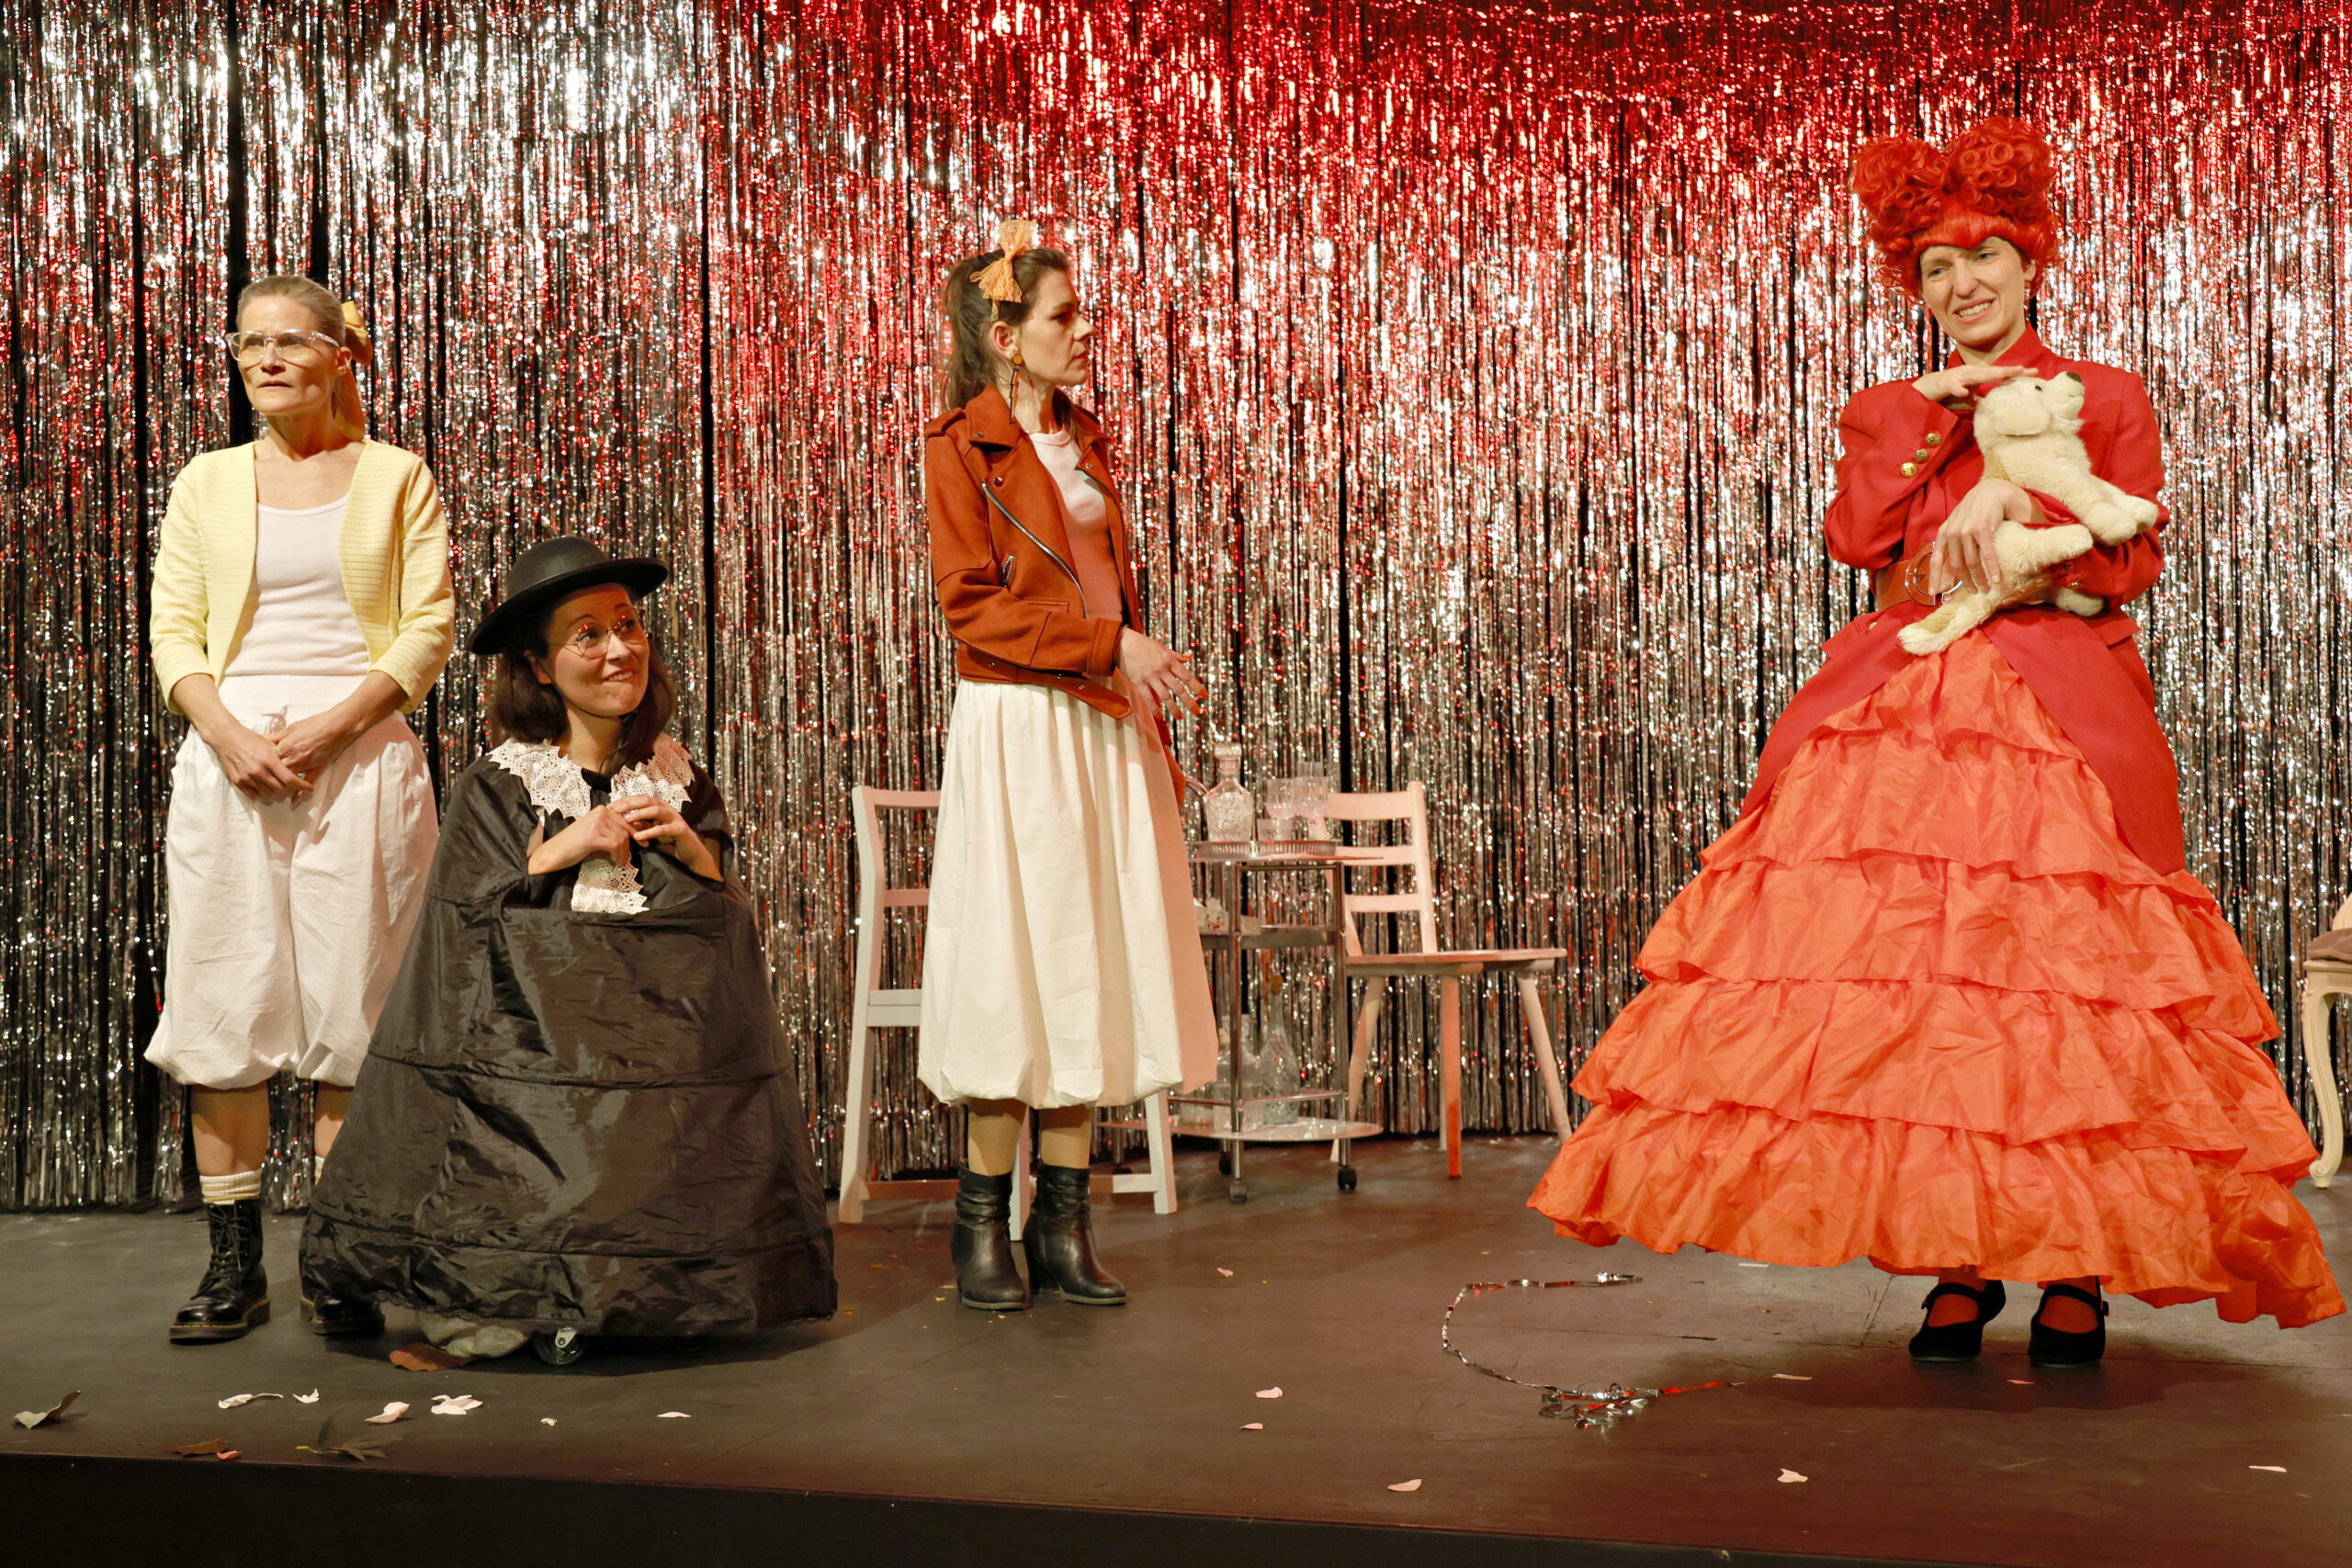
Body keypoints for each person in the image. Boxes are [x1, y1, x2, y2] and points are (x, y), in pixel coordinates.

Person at [1528, 119, 2342, 1365]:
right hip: (1903, 699)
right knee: (1921, 1002)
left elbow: (2130, 558)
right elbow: (1859, 540)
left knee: (2059, 988)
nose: (1963, 285)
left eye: (1983, 259)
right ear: (1914, 289)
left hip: (2053, 700)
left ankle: (2072, 1268)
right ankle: (1956, 1263)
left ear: (2030, 264)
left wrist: (2021, 518)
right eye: (1935, 270)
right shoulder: (1889, 407)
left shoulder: (2102, 395)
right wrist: (1933, 414)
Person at [301, 538, 836, 1365]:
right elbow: (463, 935)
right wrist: (562, 847)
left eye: (627, 625)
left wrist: (694, 854)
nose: (619, 648)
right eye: (587, 634)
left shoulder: (678, 777)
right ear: (539, 666)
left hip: (659, 1077)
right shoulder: (501, 784)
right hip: (532, 1076)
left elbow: (720, 937)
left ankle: (639, 1285)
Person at [146, 276, 452, 1344]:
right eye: (248, 345)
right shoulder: (208, 481)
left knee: (353, 1012)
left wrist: (328, 729)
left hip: (357, 760)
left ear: (338, 355)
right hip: (230, 764)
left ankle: (341, 1261)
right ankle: (233, 1267)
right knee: (221, 1003)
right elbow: (174, 631)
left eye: (289, 341)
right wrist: (229, 735)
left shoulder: (395, 476)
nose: (266, 359)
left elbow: (426, 628)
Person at [919, 221, 1217, 1310]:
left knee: (1089, 954)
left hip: (1095, 720)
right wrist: (1109, 646)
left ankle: (1062, 1222)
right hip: (1022, 727)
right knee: (1019, 965)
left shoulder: (1084, 440)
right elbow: (972, 611)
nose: (1085, 330)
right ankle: (979, 1224)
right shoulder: (961, 447)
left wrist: (1128, 672)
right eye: (1063, 315)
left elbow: (1098, 581)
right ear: (1006, 336)